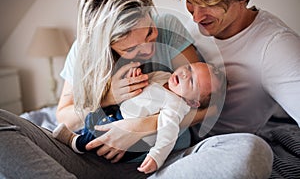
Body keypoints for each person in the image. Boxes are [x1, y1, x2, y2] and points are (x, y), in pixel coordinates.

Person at [0, 0, 273, 178]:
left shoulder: (168, 26)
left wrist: (143, 126)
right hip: (91, 159)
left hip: (163, 161)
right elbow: (64, 116)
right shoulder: (84, 52)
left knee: (252, 149)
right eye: (130, 48)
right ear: (104, 45)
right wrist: (109, 97)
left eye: (150, 32)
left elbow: (209, 105)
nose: (147, 50)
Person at [171, 0, 300, 139]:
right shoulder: (201, 25)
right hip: (175, 129)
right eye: (189, 0)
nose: (196, 17)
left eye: (210, 3)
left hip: (218, 144)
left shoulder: (277, 48)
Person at [53, 62, 225, 174]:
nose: (185, 75)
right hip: (121, 112)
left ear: (193, 103)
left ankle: (77, 143)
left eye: (192, 82)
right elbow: (144, 83)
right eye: (189, 68)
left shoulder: (176, 106)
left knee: (102, 133)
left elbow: (168, 134)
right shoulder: (164, 76)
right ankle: (81, 133)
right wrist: (134, 76)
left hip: (130, 139)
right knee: (94, 115)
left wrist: (157, 157)